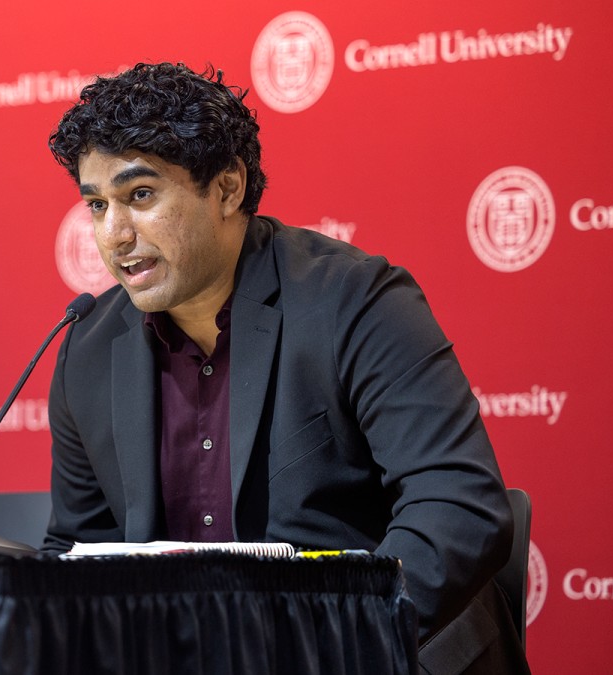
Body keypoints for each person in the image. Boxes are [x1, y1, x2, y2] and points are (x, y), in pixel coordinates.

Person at [44, 63, 528, 673]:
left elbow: (459, 504)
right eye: (95, 204)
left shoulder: (356, 300)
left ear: (226, 189)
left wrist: (337, 644)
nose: (113, 234)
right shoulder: (87, 346)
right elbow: (79, 549)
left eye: (140, 196)